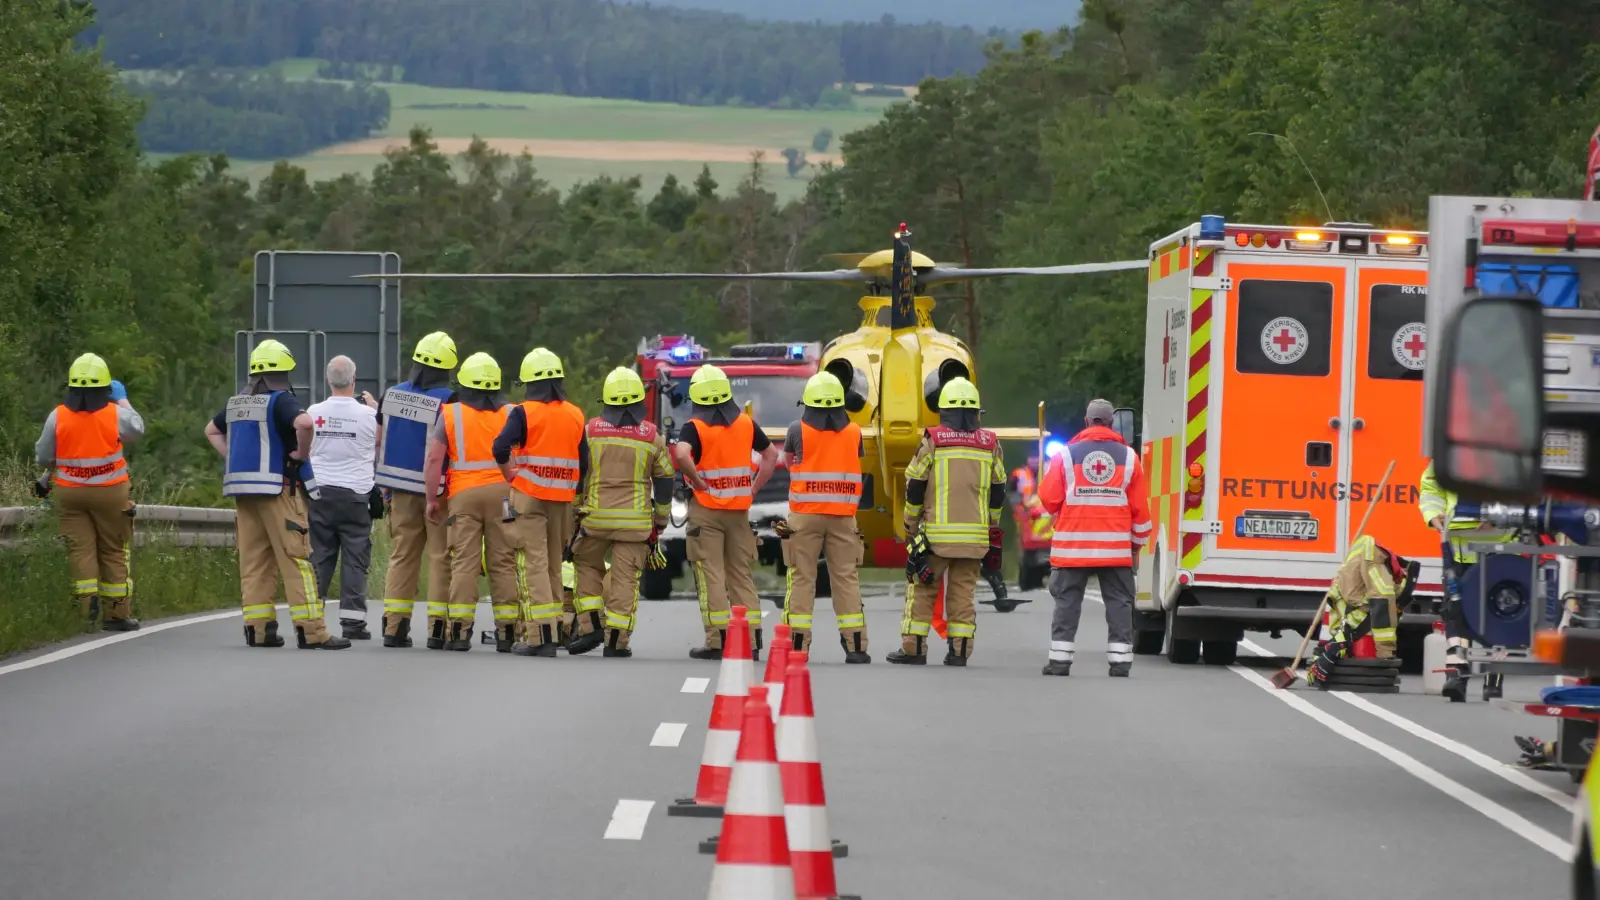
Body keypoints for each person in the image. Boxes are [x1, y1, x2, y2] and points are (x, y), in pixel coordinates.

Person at [205, 340, 350, 650]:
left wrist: (233, 457)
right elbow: (305, 422)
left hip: (244, 494)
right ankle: (313, 632)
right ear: (283, 372)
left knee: (255, 561)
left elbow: (211, 430)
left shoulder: (237, 403)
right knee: (296, 558)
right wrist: (300, 453)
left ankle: (259, 630)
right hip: (278, 490)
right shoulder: (280, 400)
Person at [888, 377, 1006, 667]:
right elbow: (999, 488)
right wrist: (991, 529)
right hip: (975, 539)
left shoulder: (934, 440)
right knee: (963, 595)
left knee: (922, 589)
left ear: (943, 411)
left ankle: (914, 649)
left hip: (935, 538)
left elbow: (915, 484)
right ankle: (960, 652)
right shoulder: (989, 444)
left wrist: (910, 526)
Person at [1037, 399, 1152, 677]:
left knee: (1067, 602)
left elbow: (1049, 499)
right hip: (1114, 549)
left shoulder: (1065, 455)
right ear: (1112, 423)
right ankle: (1120, 662)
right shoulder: (1129, 457)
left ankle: (1060, 661)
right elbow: (1141, 512)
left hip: (1073, 547)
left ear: (1087, 422)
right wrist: (1134, 546)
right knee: (1119, 603)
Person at [672, 363, 778, 661]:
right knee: (741, 575)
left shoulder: (694, 427)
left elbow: (681, 454)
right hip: (739, 512)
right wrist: (754, 487)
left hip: (706, 510)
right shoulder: (745, 423)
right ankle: (753, 640)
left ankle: (718, 641)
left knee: (711, 574)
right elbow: (771, 455)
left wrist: (695, 479)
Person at [566, 367, 674, 658]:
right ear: (639, 401)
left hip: (595, 518)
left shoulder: (590, 431)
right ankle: (616, 642)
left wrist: (576, 507)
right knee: (626, 580)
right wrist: (661, 519)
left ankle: (590, 626)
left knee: (586, 566)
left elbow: (579, 472)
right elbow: (665, 480)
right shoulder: (652, 436)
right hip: (635, 523)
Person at [34, 354, 146, 631]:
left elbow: (44, 455)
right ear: (106, 388)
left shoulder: (57, 415)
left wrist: (55, 470)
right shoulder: (114, 413)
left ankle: (86, 610)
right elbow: (137, 430)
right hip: (110, 493)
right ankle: (117, 615)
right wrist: (121, 399)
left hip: (71, 494)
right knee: (112, 550)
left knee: (80, 550)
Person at [493, 347, 586, 658]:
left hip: (530, 497)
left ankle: (539, 635)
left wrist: (511, 476)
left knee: (533, 564)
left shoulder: (523, 412)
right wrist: (575, 494)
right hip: (562, 501)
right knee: (553, 565)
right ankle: (556, 630)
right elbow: (584, 462)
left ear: (529, 383)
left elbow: (500, 446)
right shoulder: (575, 414)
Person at [423, 352, 519, 652]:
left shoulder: (451, 414)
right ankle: (507, 633)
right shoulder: (512, 412)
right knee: (503, 562)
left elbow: (435, 458)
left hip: (463, 497)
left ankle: (459, 633)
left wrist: (431, 499)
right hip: (504, 493)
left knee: (464, 562)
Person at [374, 332, 458, 649]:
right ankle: (439, 631)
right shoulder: (450, 400)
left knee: (402, 557)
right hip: (437, 492)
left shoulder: (390, 395)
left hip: (398, 491)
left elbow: (378, 443)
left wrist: (383, 487)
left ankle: (393, 628)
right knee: (440, 558)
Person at [781, 372, 869, 663]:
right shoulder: (854, 431)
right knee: (845, 578)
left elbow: (788, 459)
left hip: (805, 517)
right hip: (843, 517)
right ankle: (856, 646)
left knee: (802, 578)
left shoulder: (797, 429)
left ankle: (798, 647)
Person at [1419, 459, 1514, 701]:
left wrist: (1500, 518)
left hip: (1498, 549)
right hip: (1457, 549)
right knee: (1455, 612)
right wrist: (1433, 516)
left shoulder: (1511, 451)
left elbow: (1524, 493)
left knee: (1498, 613)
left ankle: (1494, 679)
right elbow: (1431, 490)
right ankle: (1457, 676)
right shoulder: (1451, 452)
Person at [306, 356, 381, 641]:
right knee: (355, 560)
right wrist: (377, 407)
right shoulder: (368, 415)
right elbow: (381, 440)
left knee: (319, 557)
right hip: (356, 497)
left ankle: (312, 619)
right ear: (354, 379)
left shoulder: (314, 412)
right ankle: (353, 624)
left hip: (320, 494)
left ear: (328, 380)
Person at [1304, 535, 1419, 686]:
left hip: (1346, 595)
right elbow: (1382, 603)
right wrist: (1385, 653)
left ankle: (1334, 647)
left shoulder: (1370, 565)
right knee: (1374, 613)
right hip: (1352, 599)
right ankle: (1335, 648)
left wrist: (1330, 648)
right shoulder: (1376, 570)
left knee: (1357, 620)